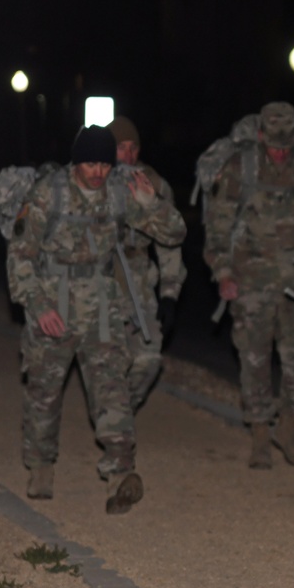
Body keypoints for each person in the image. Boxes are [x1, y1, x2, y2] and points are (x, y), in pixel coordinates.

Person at [6, 125, 186, 514]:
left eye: (104, 164)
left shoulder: (121, 192)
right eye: (90, 163)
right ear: (76, 161)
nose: (98, 172)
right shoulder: (48, 193)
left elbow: (174, 234)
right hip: (54, 303)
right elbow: (20, 255)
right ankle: (40, 466)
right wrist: (38, 306)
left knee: (112, 391)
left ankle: (120, 475)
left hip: (103, 307)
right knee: (44, 392)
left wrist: (152, 203)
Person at [201, 101, 294, 469]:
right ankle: (260, 433)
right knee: (254, 358)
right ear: (261, 134)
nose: (280, 150)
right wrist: (223, 273)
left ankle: (289, 426)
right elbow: (218, 224)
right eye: (274, 143)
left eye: (286, 144)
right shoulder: (240, 166)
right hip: (251, 280)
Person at [107, 116, 186, 410]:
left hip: (139, 282)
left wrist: (169, 293)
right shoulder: (93, 179)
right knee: (107, 362)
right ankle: (112, 418)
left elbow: (170, 242)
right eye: (120, 148)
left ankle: (119, 412)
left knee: (149, 357)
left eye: (133, 148)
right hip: (100, 283)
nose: (128, 156)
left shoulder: (152, 183)